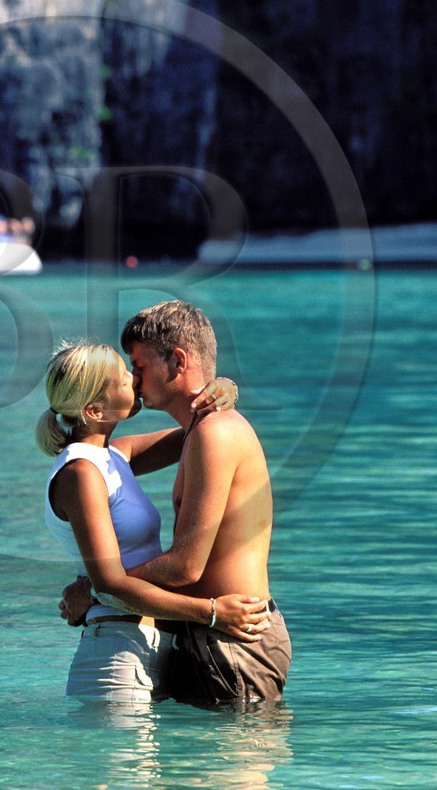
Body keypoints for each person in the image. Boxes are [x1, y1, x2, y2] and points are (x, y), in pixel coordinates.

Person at [61, 301, 290, 709]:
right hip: (208, 632)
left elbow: (186, 567)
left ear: (178, 360)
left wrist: (97, 591)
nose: (133, 379)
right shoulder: (197, 432)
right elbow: (110, 454)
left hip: (235, 636)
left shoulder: (212, 434)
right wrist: (225, 390)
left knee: (238, 770)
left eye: (140, 366)